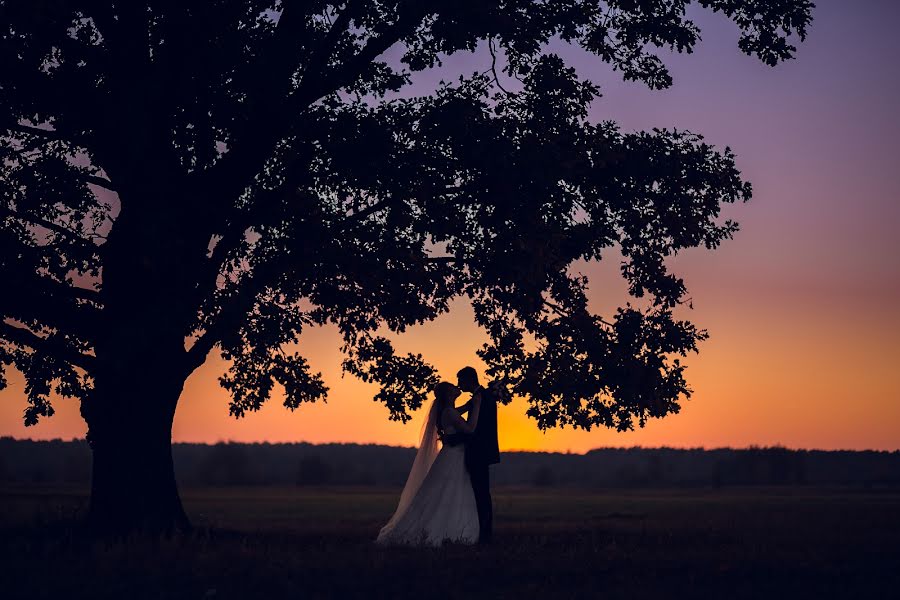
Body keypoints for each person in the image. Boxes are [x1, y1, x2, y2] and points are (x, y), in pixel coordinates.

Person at [375, 382, 481, 546]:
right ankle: (449, 529)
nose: (457, 387)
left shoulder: (448, 411)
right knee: (448, 491)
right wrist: (477, 407)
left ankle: (452, 529)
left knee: (450, 491)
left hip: (452, 454)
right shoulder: (449, 413)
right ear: (448, 394)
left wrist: (468, 406)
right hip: (454, 455)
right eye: (453, 387)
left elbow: (457, 412)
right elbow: (470, 428)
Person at [454, 366, 500, 544]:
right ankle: (481, 532)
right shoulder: (481, 397)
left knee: (481, 494)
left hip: (479, 453)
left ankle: (485, 534)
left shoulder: (482, 398)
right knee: (479, 493)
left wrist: (454, 438)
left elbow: (477, 429)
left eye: (460, 380)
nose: (458, 384)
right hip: (479, 452)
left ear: (468, 379)